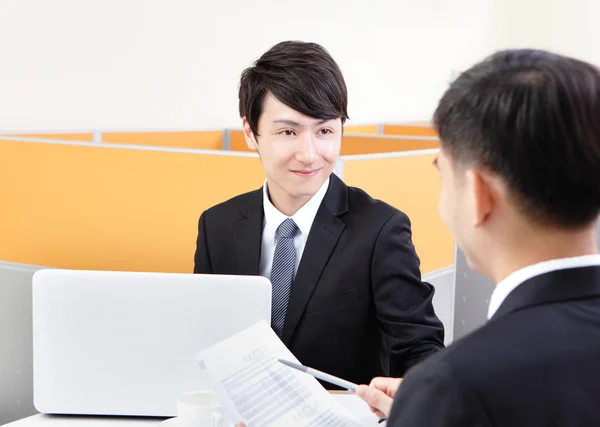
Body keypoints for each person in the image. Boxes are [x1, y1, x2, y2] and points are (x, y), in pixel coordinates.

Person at [357, 48, 600, 426]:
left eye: (443, 174)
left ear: (477, 195)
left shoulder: (455, 386)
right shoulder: (452, 391)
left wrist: (433, 407)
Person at [193, 40, 444, 388]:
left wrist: (412, 387)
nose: (309, 155)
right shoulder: (216, 226)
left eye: (324, 130)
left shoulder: (380, 229)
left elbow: (421, 349)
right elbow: (203, 339)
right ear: (251, 134)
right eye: (288, 132)